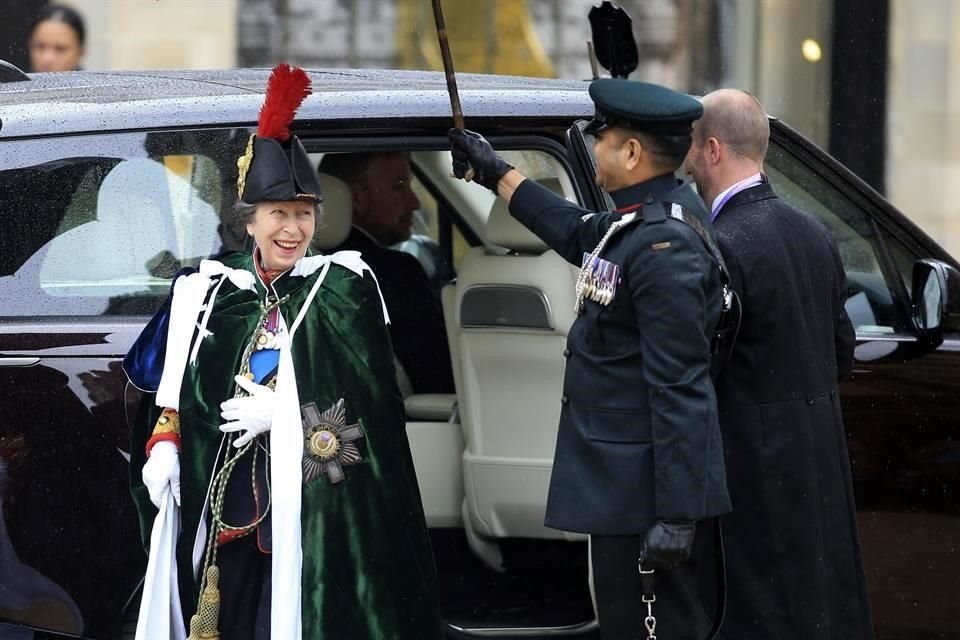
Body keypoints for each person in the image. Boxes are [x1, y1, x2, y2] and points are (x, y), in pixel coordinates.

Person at [123, 64, 443, 640]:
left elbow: (371, 425)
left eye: (304, 213)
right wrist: (165, 444)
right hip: (227, 516)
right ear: (250, 223)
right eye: (278, 214)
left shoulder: (344, 290)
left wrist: (290, 420)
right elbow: (170, 393)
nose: (292, 228)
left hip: (315, 524)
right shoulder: (210, 293)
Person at [449, 79, 730, 640]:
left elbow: (680, 389)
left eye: (601, 140)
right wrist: (494, 171)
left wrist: (676, 514)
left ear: (631, 153)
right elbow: (575, 231)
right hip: (623, 493)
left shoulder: (663, 248)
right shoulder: (643, 221)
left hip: (645, 500)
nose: (594, 150)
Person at [684, 89, 873, 639]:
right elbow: (841, 351)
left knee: (760, 615)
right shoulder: (816, 233)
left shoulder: (719, 246)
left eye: (693, 148)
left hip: (750, 472)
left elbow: (700, 371)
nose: (689, 161)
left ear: (713, 149)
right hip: (819, 465)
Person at [318, 152, 454, 394]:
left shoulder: (293, 272)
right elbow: (438, 379)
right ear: (356, 199)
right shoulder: (398, 272)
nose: (414, 202)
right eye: (399, 186)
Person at [28, 4, 85, 72]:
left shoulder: (94, 82)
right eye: (40, 46)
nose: (47, 58)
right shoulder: (17, 82)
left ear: (80, 52)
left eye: (60, 49)